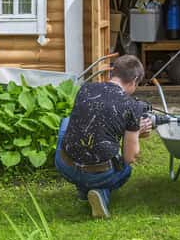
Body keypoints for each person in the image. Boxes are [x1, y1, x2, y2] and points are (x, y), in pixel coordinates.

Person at [55, 55, 153, 219]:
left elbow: (93, 123)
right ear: (134, 80)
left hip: (66, 166)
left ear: (112, 73)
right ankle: (100, 193)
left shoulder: (86, 88)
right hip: (101, 173)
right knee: (126, 170)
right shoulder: (132, 106)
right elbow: (130, 157)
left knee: (66, 121)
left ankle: (83, 189)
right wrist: (134, 131)